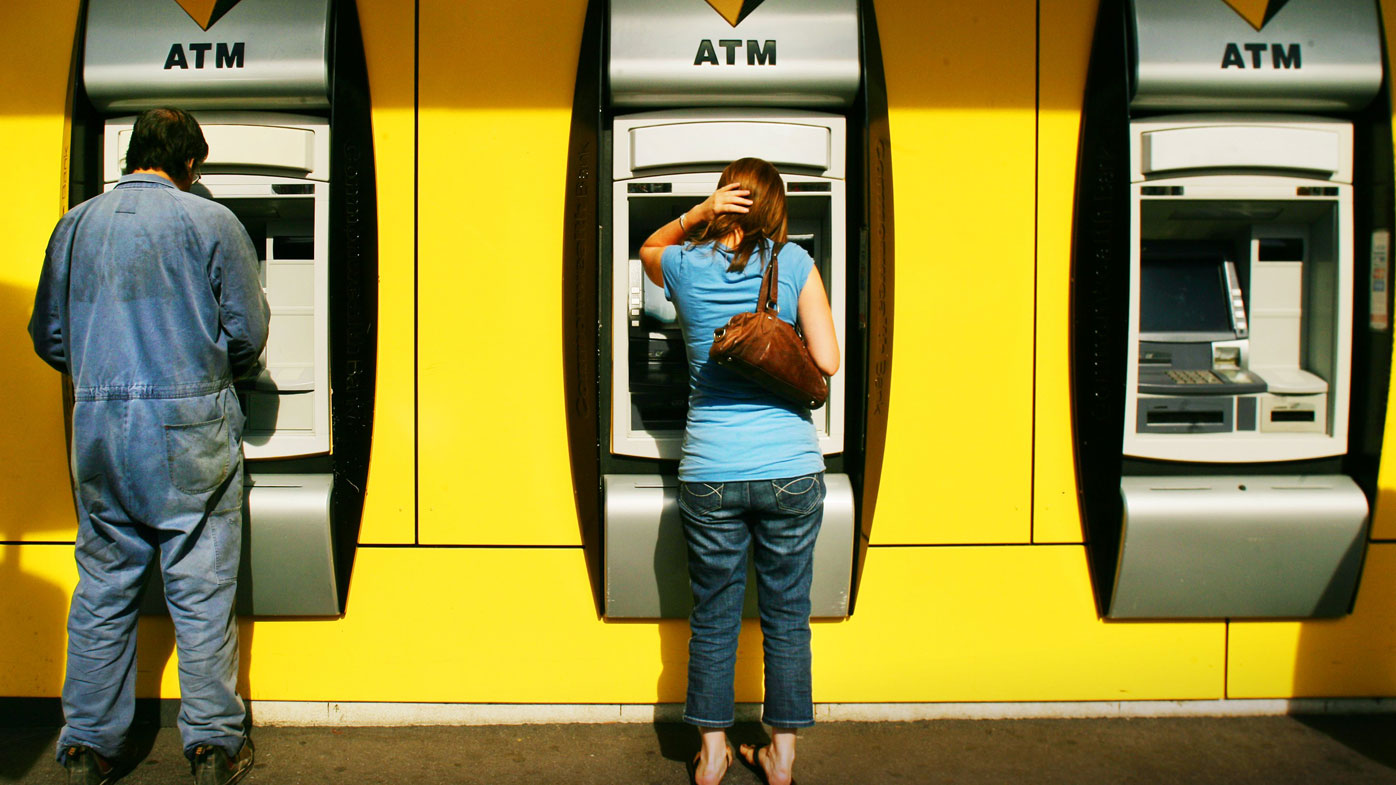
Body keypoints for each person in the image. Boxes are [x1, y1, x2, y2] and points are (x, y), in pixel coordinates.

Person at [28, 107, 268, 785]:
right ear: (191, 165)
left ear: (131, 155)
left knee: (103, 586)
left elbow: (49, 336)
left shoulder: (74, 225)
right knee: (200, 588)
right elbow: (247, 330)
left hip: (101, 429)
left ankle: (86, 748)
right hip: (189, 430)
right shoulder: (211, 222)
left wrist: (107, 371)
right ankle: (214, 745)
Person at [639, 157, 839, 785]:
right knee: (786, 614)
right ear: (777, 210)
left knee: (715, 612)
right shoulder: (799, 265)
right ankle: (780, 756)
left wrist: (696, 214)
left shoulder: (683, 264)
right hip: (790, 469)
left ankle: (714, 751)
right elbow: (827, 361)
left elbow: (649, 247)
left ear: (725, 201)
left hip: (711, 471)